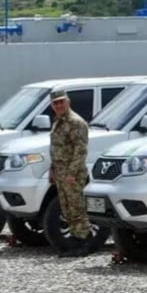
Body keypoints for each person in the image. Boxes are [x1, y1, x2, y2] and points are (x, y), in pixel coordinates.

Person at [48, 90, 93, 258]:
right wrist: (52, 169)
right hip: (60, 173)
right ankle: (75, 240)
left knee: (77, 208)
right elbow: (56, 148)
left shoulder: (76, 122)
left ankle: (83, 242)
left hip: (72, 174)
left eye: (61, 102)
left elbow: (80, 151)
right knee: (67, 209)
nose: (59, 105)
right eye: (55, 103)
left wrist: (72, 173)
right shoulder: (58, 122)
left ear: (68, 101)